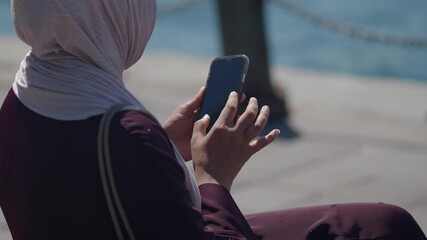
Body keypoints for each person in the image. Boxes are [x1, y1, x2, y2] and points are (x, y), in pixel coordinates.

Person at [0, 0, 425, 239]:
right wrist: (212, 175)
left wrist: (165, 145)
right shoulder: (124, 131)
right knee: (388, 228)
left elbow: (78, 184)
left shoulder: (25, 94)